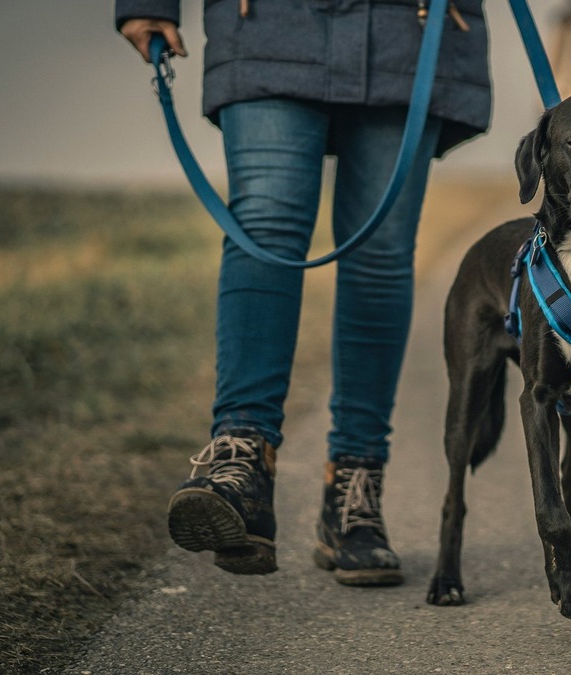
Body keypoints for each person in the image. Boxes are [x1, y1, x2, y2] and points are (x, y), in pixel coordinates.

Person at [115, 0, 490, 585]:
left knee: (381, 254)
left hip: (408, 27)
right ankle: (242, 463)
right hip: (270, 19)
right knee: (263, 226)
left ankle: (354, 490)